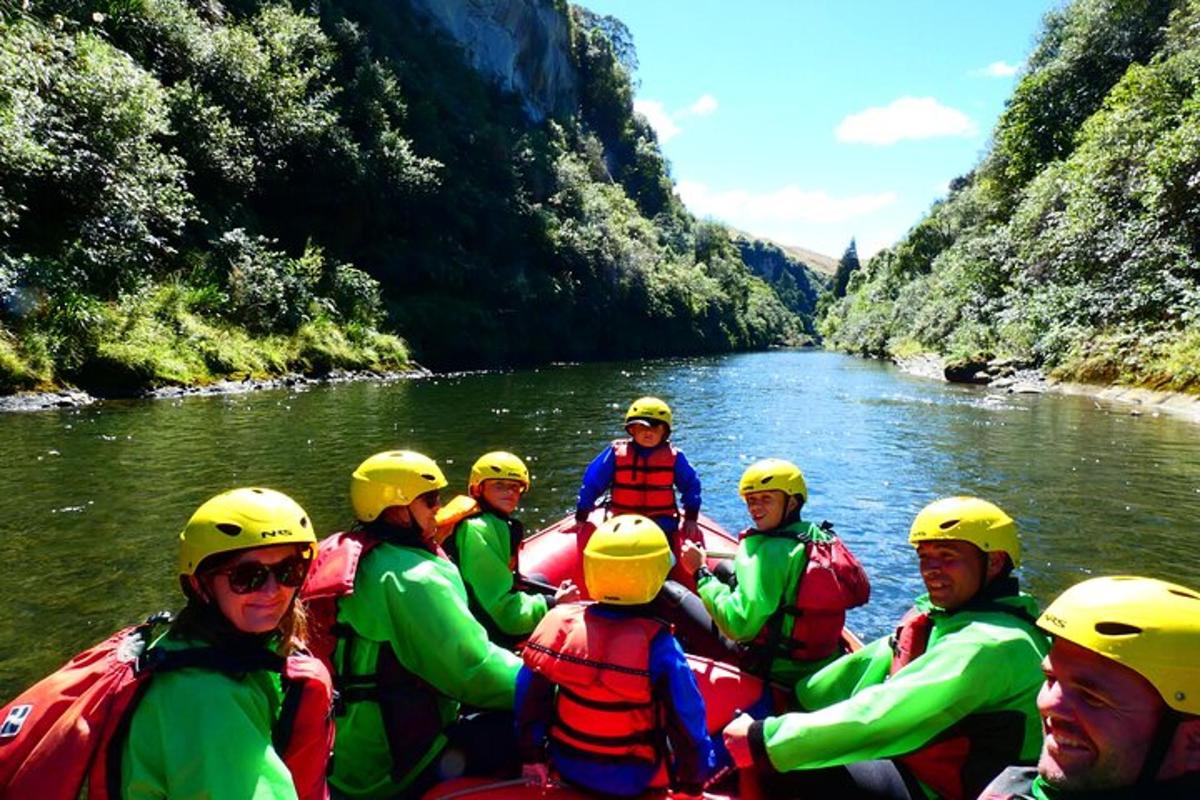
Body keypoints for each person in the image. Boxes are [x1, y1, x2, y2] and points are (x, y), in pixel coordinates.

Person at [723, 496, 1049, 800]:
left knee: (794, 770)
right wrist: (796, 698)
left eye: (948, 557)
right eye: (925, 558)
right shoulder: (951, 619)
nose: (930, 571)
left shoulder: (990, 644)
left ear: (993, 562)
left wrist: (763, 738)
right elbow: (875, 660)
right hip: (918, 760)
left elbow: (882, 713)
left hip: (943, 790)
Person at [306, 450, 522, 798]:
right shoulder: (412, 579)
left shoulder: (355, 553)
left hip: (347, 756)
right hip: (398, 766)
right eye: (431, 499)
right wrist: (548, 681)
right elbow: (476, 673)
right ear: (396, 507)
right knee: (534, 723)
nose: (440, 507)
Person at [123, 487, 334, 799]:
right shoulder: (208, 699)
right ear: (200, 584)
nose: (273, 590)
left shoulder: (211, 647)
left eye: (289, 571)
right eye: (248, 576)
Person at [515, 514, 717, 797]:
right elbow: (688, 723)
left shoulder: (558, 623)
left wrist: (531, 756)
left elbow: (529, 697)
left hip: (566, 762)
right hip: (633, 777)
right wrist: (693, 781)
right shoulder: (661, 648)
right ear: (653, 574)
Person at [981, 575, 1200, 799]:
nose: (1048, 705)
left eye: (1092, 697)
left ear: (1194, 742)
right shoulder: (1017, 788)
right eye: (1051, 679)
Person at [678, 458, 870, 685]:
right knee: (727, 571)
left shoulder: (770, 552)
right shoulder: (820, 535)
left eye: (766, 499)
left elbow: (738, 625)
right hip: (821, 659)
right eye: (750, 500)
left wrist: (700, 572)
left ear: (791, 503)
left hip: (775, 667)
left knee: (674, 593)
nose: (755, 508)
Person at [440, 451, 578, 646]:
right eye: (499, 486)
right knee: (559, 610)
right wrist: (552, 603)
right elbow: (501, 609)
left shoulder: (493, 522)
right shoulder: (477, 530)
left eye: (515, 487)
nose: (509, 492)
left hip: (483, 605)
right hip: (483, 623)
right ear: (478, 490)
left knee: (541, 580)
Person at [571, 396, 703, 580]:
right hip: (624, 524)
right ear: (631, 429)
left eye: (655, 427)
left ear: (665, 431)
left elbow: (691, 486)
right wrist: (581, 515)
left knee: (665, 565)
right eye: (642, 427)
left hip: (661, 525)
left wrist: (691, 518)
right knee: (619, 565)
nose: (648, 432)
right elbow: (592, 483)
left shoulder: (674, 457)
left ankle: (663, 586)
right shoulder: (616, 453)